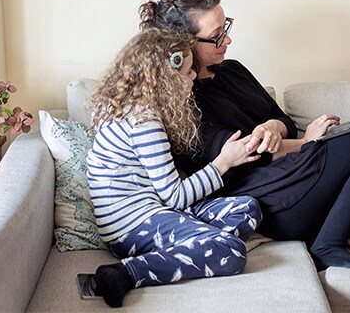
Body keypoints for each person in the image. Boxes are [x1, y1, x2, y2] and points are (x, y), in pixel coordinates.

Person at [139, 0, 350, 271]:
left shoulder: (233, 70)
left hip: (293, 168)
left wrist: (274, 126)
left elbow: (283, 119)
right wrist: (306, 143)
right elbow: (240, 157)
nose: (228, 40)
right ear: (185, 43)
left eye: (226, 28)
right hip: (268, 193)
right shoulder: (183, 100)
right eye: (216, 36)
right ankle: (327, 243)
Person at [86, 29, 263, 308]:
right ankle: (126, 273)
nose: (194, 77)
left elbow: (167, 198)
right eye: (189, 71)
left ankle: (193, 241)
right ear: (166, 78)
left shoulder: (124, 107)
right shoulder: (144, 122)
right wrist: (224, 161)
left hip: (150, 211)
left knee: (247, 209)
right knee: (232, 251)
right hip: (131, 226)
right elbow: (175, 197)